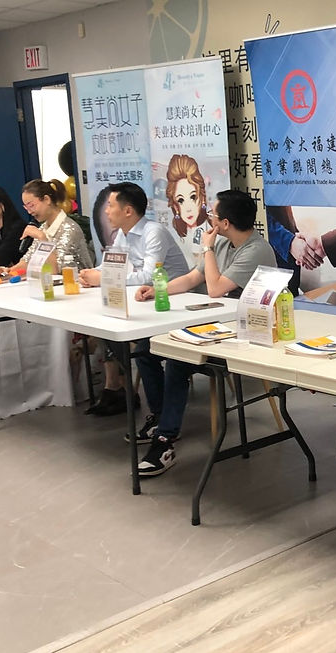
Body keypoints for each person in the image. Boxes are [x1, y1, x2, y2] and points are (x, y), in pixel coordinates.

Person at [130, 189, 277, 476]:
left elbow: (215, 289)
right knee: (146, 349)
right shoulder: (223, 242)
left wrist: (207, 249)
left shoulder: (256, 250)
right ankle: (161, 419)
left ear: (225, 223)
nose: (209, 218)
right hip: (213, 324)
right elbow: (191, 278)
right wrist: (158, 290)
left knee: (176, 359)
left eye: (213, 215)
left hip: (244, 332)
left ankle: (164, 440)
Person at [79, 182, 189, 416]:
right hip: (145, 298)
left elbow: (149, 275)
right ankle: (124, 391)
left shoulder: (153, 232)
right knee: (108, 329)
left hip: (175, 299)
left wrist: (102, 278)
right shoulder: (123, 233)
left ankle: (159, 412)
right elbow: (113, 265)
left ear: (127, 210)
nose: (106, 211)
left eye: (111, 205)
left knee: (142, 350)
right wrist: (92, 274)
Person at [18, 179, 95, 271]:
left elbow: (55, 270)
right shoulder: (43, 228)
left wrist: (42, 238)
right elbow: (28, 260)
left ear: (47, 199)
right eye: (26, 207)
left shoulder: (70, 229)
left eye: (31, 206)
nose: (30, 212)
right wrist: (8, 271)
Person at [165, 154, 210, 259]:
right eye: (180, 200)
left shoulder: (214, 232)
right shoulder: (173, 238)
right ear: (175, 206)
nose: (188, 208)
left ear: (202, 197)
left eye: (193, 197)